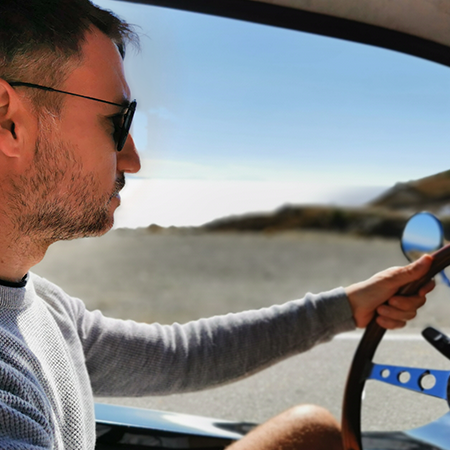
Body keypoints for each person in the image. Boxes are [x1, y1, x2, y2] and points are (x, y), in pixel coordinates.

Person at [0, 1, 435, 449]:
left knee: (313, 429)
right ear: (8, 121)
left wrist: (347, 307)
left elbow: (180, 356)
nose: (133, 158)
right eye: (116, 121)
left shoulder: (43, 307)